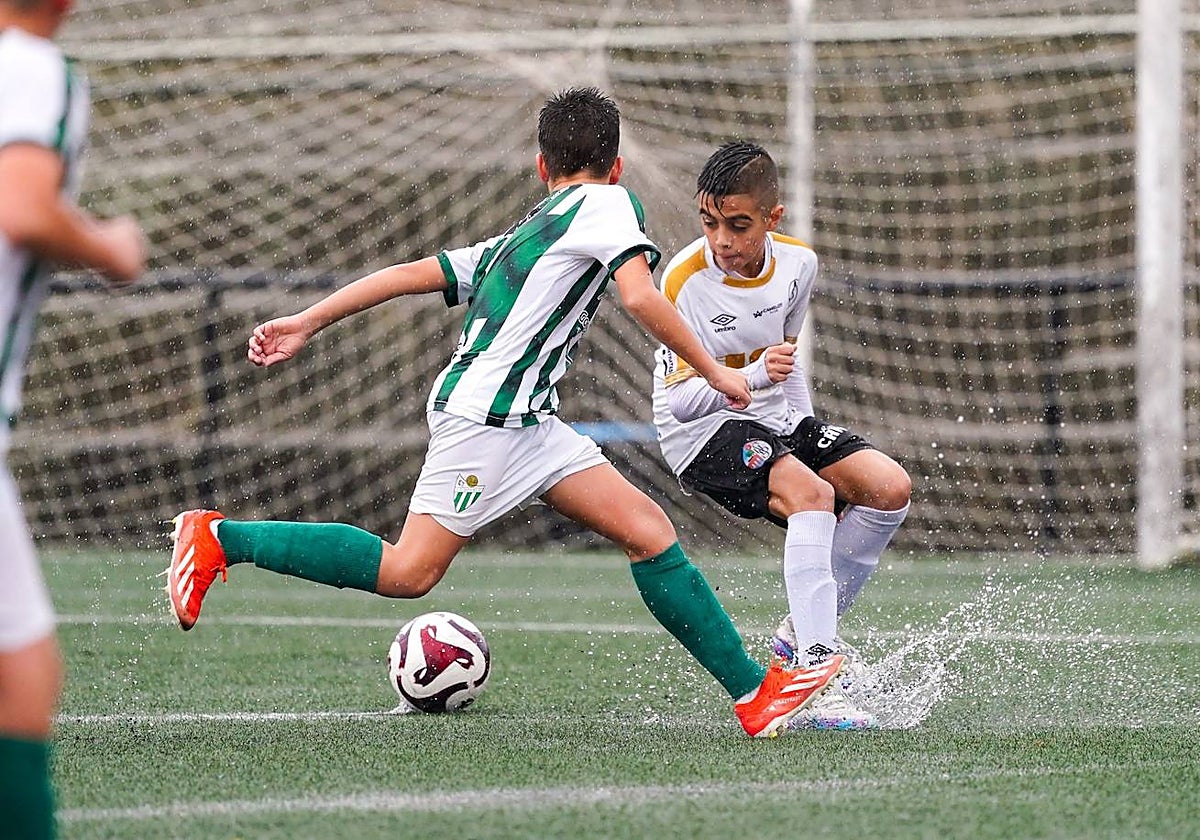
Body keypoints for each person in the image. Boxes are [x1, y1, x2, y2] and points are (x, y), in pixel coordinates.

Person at [165, 88, 845, 738]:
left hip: (530, 424)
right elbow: (639, 298)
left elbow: (409, 273)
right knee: (409, 572)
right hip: (486, 419)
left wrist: (308, 319)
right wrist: (717, 370)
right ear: (616, 167)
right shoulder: (610, 205)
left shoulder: (526, 234)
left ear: (541, 165)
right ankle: (220, 539)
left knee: (648, 530)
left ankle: (756, 696)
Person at [651, 141, 911, 730]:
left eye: (738, 226)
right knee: (811, 496)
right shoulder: (685, 281)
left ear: (772, 219)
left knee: (889, 488)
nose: (722, 241)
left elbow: (785, 366)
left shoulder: (800, 265)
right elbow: (682, 401)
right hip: (699, 432)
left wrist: (801, 430)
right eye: (709, 223)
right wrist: (747, 376)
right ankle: (816, 682)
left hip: (771, 419)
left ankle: (800, 637)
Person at [0, 0, 147, 835]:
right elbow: (22, 207)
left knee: (24, 673)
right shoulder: (30, 68)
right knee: (22, 678)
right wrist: (109, 245)